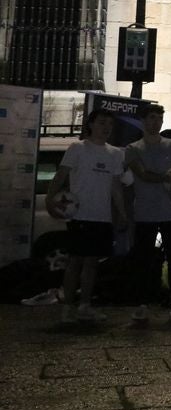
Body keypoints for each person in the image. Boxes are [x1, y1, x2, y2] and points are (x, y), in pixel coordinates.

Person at [48, 109, 130, 324]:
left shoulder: (115, 153)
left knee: (93, 262)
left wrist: (121, 213)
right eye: (102, 122)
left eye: (110, 124)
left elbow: (116, 187)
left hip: (102, 217)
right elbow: (61, 175)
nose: (106, 127)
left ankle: (85, 305)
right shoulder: (77, 148)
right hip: (79, 215)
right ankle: (67, 308)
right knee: (75, 261)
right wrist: (50, 199)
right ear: (91, 124)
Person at [126, 103, 171, 322]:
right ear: (144, 121)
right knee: (144, 260)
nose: (156, 122)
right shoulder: (133, 148)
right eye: (151, 118)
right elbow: (142, 174)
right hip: (145, 212)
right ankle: (142, 303)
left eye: (159, 118)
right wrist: (168, 177)